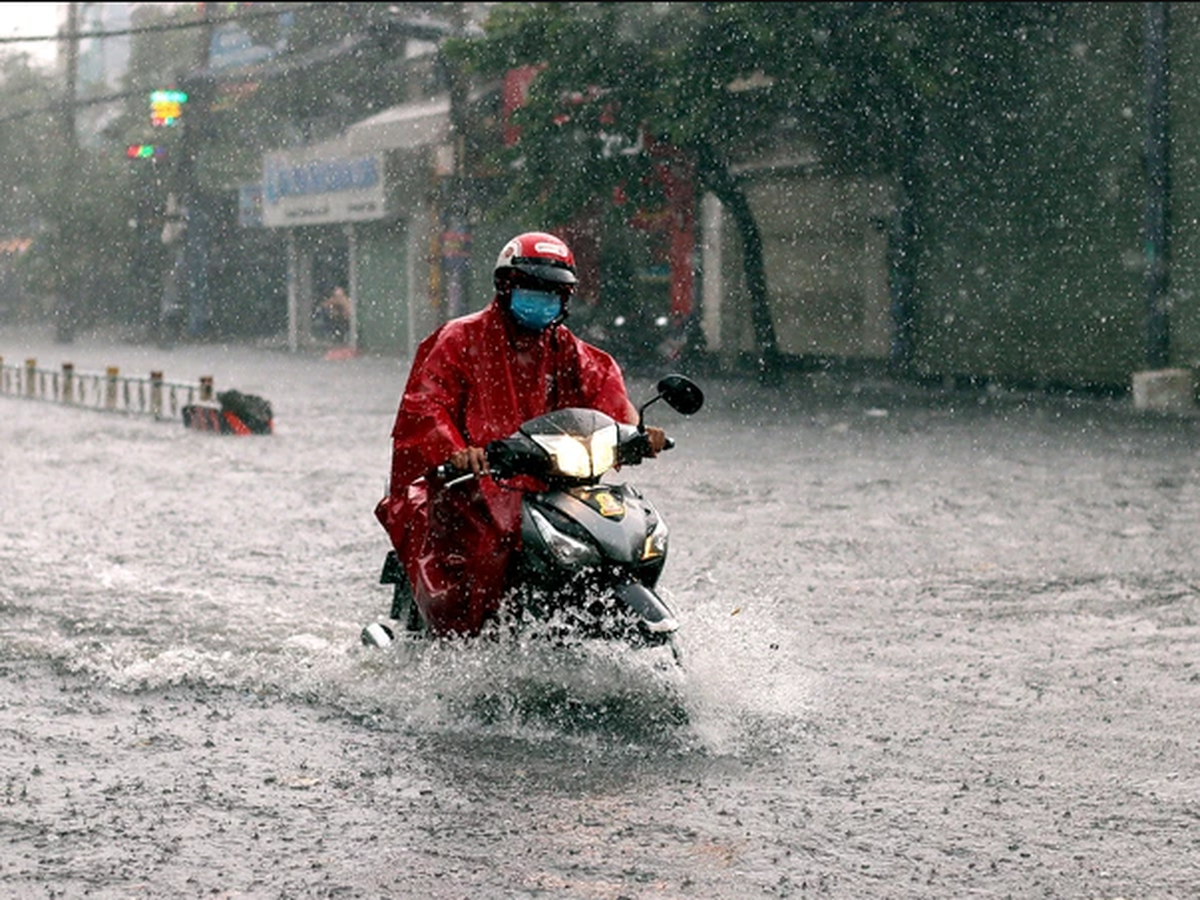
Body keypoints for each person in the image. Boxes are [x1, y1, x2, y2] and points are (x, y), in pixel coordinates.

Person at [374, 231, 666, 636]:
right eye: (532, 288)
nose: (542, 298)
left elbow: (610, 401)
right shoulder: (458, 340)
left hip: (558, 487)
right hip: (474, 489)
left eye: (553, 291)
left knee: (627, 534)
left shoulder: (574, 354)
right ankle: (467, 644)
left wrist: (636, 435)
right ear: (505, 287)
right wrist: (460, 451)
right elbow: (426, 407)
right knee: (482, 557)